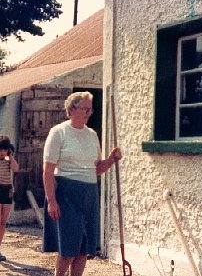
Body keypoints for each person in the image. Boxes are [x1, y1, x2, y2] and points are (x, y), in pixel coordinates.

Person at [42, 91, 122, 276]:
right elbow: (47, 170)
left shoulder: (92, 135)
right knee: (68, 248)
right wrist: (51, 200)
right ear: (71, 110)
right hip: (66, 193)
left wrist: (111, 160)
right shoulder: (59, 132)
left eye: (90, 110)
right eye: (84, 109)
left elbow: (95, 169)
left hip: (89, 194)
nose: (88, 113)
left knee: (83, 248)